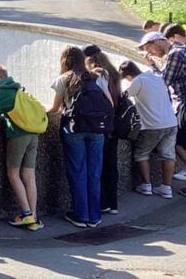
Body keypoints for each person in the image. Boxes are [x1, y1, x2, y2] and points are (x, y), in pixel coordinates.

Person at [141, 31, 186, 196]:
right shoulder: (182, 50)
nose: (151, 53)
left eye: (149, 49)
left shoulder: (175, 54)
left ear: (156, 42)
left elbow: (163, 81)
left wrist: (152, 65)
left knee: (176, 142)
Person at [49, 46, 112, 228]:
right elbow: (108, 103)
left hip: (74, 129)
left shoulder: (64, 79)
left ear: (65, 61)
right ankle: (94, 216)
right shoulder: (96, 77)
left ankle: (80, 214)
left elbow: (55, 108)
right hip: (97, 129)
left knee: (77, 171)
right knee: (94, 171)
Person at [0, 65, 43, 231]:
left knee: (13, 173)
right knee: (29, 175)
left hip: (18, 135)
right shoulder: (18, 88)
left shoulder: (0, 91)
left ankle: (26, 213)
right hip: (33, 133)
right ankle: (34, 216)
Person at [119, 61, 178, 199]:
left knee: (141, 153)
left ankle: (146, 186)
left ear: (128, 75)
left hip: (152, 125)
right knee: (169, 155)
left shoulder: (138, 81)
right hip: (170, 122)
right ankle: (166, 188)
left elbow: (123, 96)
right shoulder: (156, 77)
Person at [83, 45, 123, 215]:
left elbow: (102, 99)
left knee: (99, 164)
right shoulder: (112, 73)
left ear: (90, 60)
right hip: (114, 123)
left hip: (102, 124)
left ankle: (103, 202)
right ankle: (112, 203)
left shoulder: (99, 74)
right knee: (111, 164)